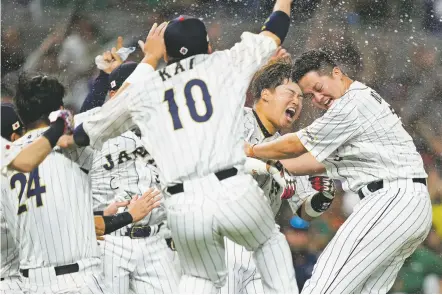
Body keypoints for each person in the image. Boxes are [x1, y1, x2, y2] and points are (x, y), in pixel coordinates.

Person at [61, 0, 298, 292]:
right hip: (230, 187)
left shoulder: (148, 87)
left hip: (184, 203)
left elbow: (91, 129)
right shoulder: (226, 62)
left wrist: (149, 58)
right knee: (269, 243)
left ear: (167, 54)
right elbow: (275, 29)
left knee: (199, 278)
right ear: (208, 47)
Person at [246, 49, 433, 294]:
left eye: (318, 87)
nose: (318, 98)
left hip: (392, 200)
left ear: (336, 73)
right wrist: (269, 165)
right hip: (409, 205)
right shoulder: (357, 105)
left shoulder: (351, 104)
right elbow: (313, 161)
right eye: (310, 95)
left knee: (323, 286)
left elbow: (295, 145)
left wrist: (251, 151)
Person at [222, 56, 336, 294]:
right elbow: (230, 162)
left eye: (300, 97)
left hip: (263, 243)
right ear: (265, 94)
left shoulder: (288, 148)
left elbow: (304, 210)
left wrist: (323, 197)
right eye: (290, 93)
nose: (297, 101)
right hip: (225, 238)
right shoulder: (236, 118)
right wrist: (272, 168)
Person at [74, 55, 180, 293]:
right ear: (114, 95)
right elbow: (84, 121)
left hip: (155, 242)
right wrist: (104, 77)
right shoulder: (95, 130)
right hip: (109, 241)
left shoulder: (165, 131)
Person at [2, 73, 108, 294]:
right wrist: (108, 76)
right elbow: (111, 111)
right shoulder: (72, 145)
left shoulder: (6, 159)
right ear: (59, 109)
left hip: (33, 284)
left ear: (21, 115)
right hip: (82, 279)